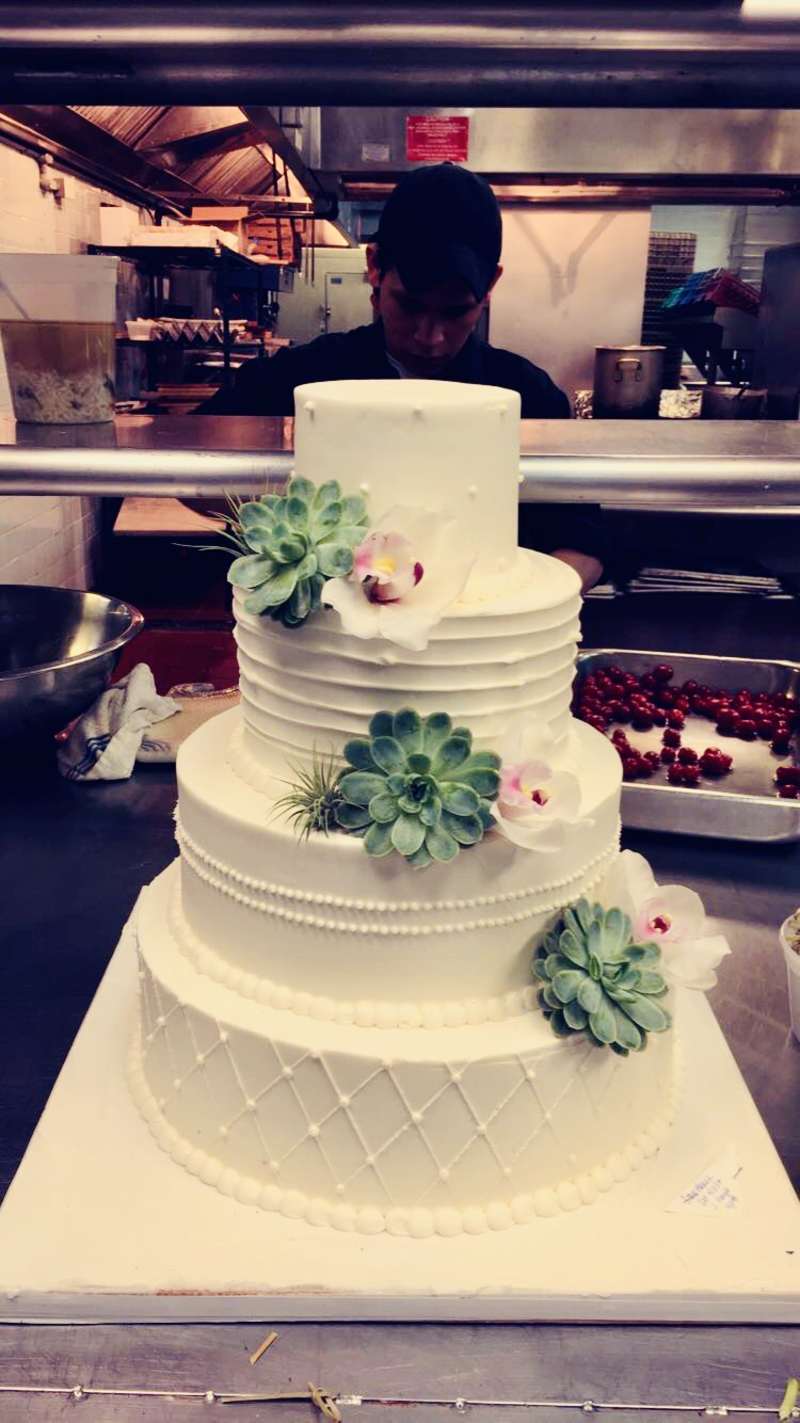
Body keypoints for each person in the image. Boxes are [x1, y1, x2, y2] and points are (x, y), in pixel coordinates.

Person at [196, 163, 605, 589]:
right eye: (410, 305)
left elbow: (585, 543)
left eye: (456, 311)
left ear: (491, 286)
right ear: (374, 266)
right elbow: (190, 471)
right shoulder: (305, 376)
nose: (430, 336)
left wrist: (518, 606)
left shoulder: (528, 394)